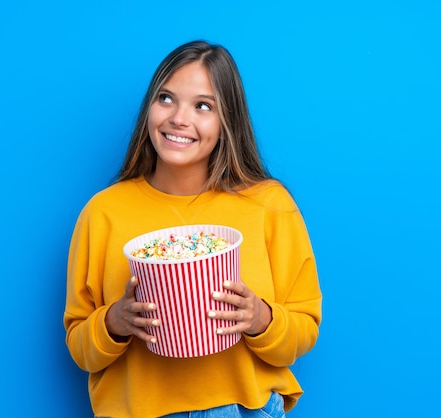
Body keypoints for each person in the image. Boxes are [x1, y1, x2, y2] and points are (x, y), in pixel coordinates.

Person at [63, 40, 322, 418]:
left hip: (244, 408)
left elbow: (303, 331)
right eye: (166, 99)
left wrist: (259, 318)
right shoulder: (103, 213)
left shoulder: (269, 205)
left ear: (226, 121)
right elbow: (79, 347)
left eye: (203, 106)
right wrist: (113, 322)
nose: (179, 118)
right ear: (149, 107)